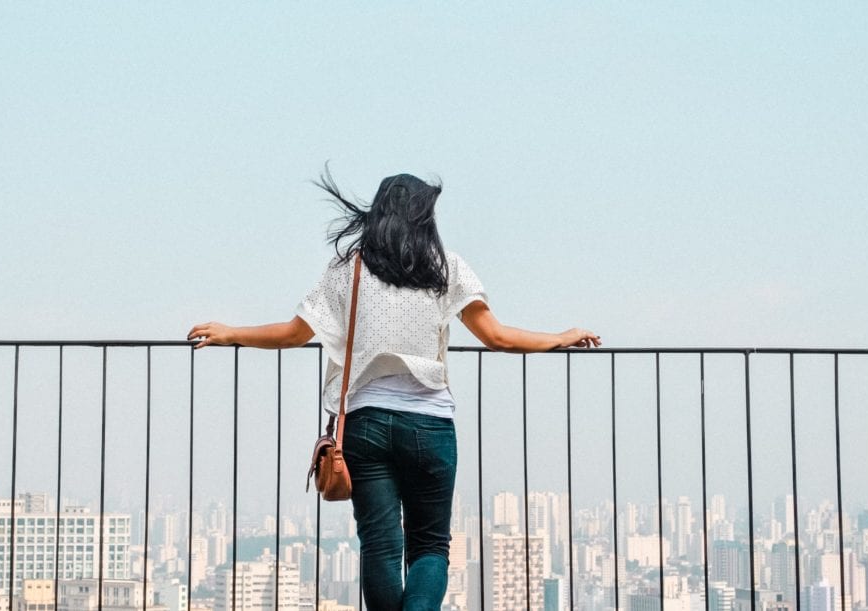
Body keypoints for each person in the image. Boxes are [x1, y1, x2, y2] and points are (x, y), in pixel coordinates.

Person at [187, 170, 600, 611]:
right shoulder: (446, 267)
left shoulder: (349, 269)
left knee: (380, 546)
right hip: (429, 424)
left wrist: (231, 332)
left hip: (364, 425)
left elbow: (292, 334)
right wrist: (561, 336)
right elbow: (496, 337)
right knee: (429, 546)